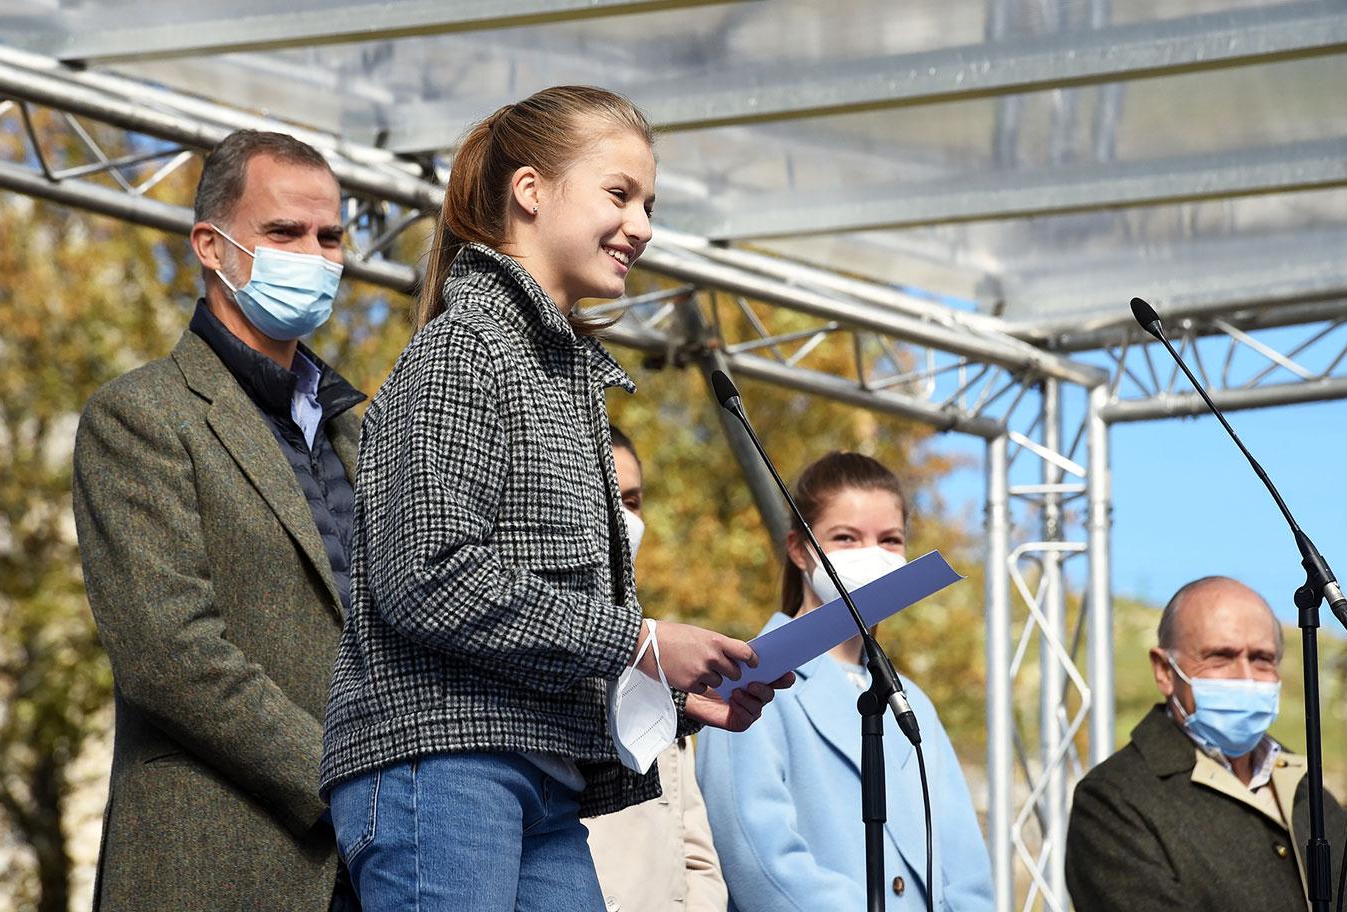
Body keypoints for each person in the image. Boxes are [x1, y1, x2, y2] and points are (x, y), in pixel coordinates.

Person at [320, 86, 791, 912]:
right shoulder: (464, 348)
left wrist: (680, 694)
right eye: (620, 194)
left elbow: (538, 625)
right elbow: (427, 578)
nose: (642, 225)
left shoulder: (560, 375)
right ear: (529, 192)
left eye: (649, 203)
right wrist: (641, 641)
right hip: (442, 771)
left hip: (539, 778)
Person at [72, 130, 364, 911]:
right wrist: (351, 783)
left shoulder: (363, 430)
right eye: (284, 233)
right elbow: (171, 653)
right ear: (211, 244)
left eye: (330, 236)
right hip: (221, 862)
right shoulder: (140, 416)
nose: (315, 253)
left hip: (383, 870)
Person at [696, 451, 994, 912]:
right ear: (799, 549)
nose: (871, 555)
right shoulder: (750, 677)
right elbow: (761, 862)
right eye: (846, 538)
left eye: (890, 540)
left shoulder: (912, 701)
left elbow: (965, 863)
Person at [1066, 575, 1347, 912]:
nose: (1246, 678)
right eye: (1220, 657)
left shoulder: (1306, 788)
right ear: (1164, 670)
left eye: (1262, 659)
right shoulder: (1114, 801)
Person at [587, 426, 729, 912]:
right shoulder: (530, 648)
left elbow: (696, 854)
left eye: (633, 500)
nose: (624, 518)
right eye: (607, 497)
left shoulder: (665, 656)